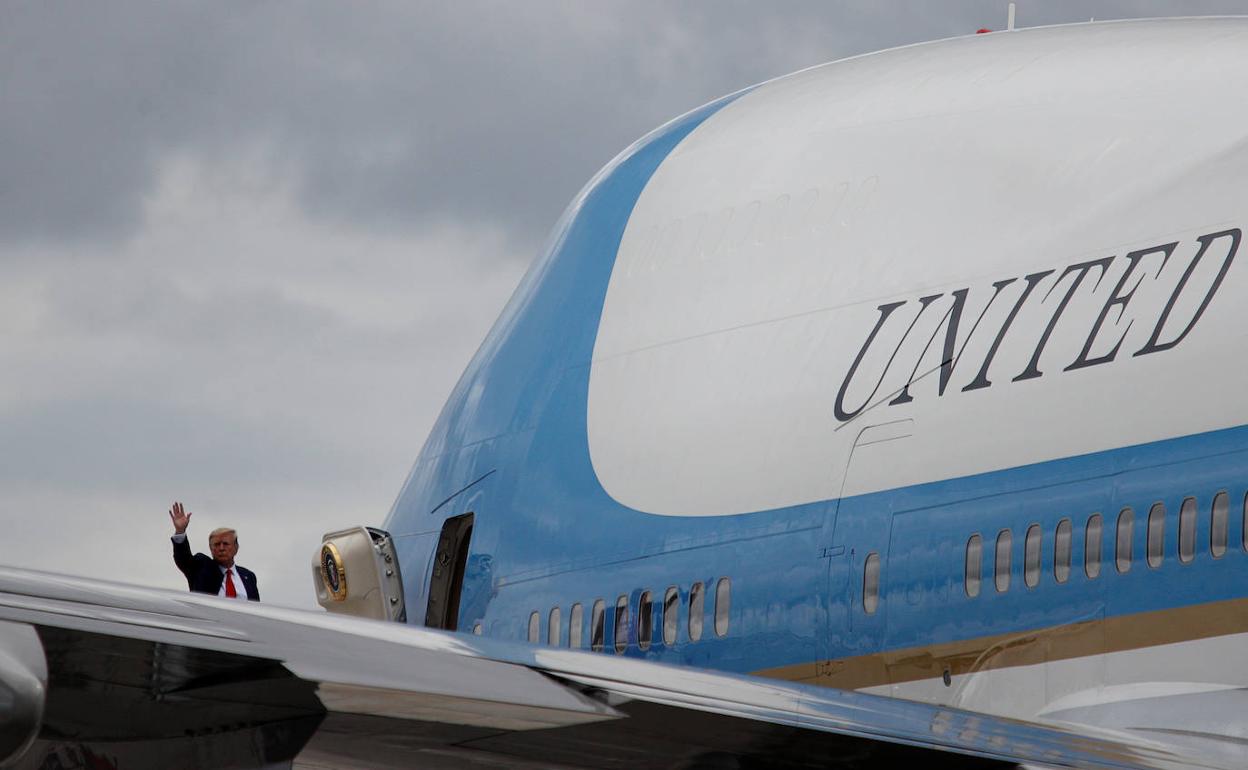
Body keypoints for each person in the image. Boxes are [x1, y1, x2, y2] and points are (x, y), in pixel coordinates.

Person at [168, 501, 259, 601]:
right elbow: (183, 559)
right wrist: (180, 531)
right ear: (210, 548)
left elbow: (257, 609)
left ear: (236, 548)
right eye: (216, 544)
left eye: (225, 544)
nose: (221, 548)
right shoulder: (201, 566)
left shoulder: (249, 576)